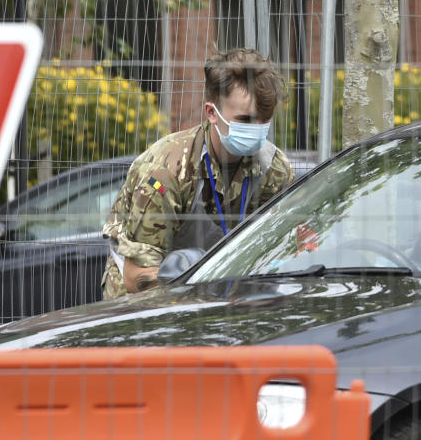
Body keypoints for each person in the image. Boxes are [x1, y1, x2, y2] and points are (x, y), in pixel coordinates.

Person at [101, 49, 295, 298]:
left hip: (229, 297)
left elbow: (277, 252)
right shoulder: (165, 170)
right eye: (245, 120)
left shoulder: (274, 170)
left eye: (264, 120)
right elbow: (138, 276)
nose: (257, 130)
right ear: (212, 113)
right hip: (147, 302)